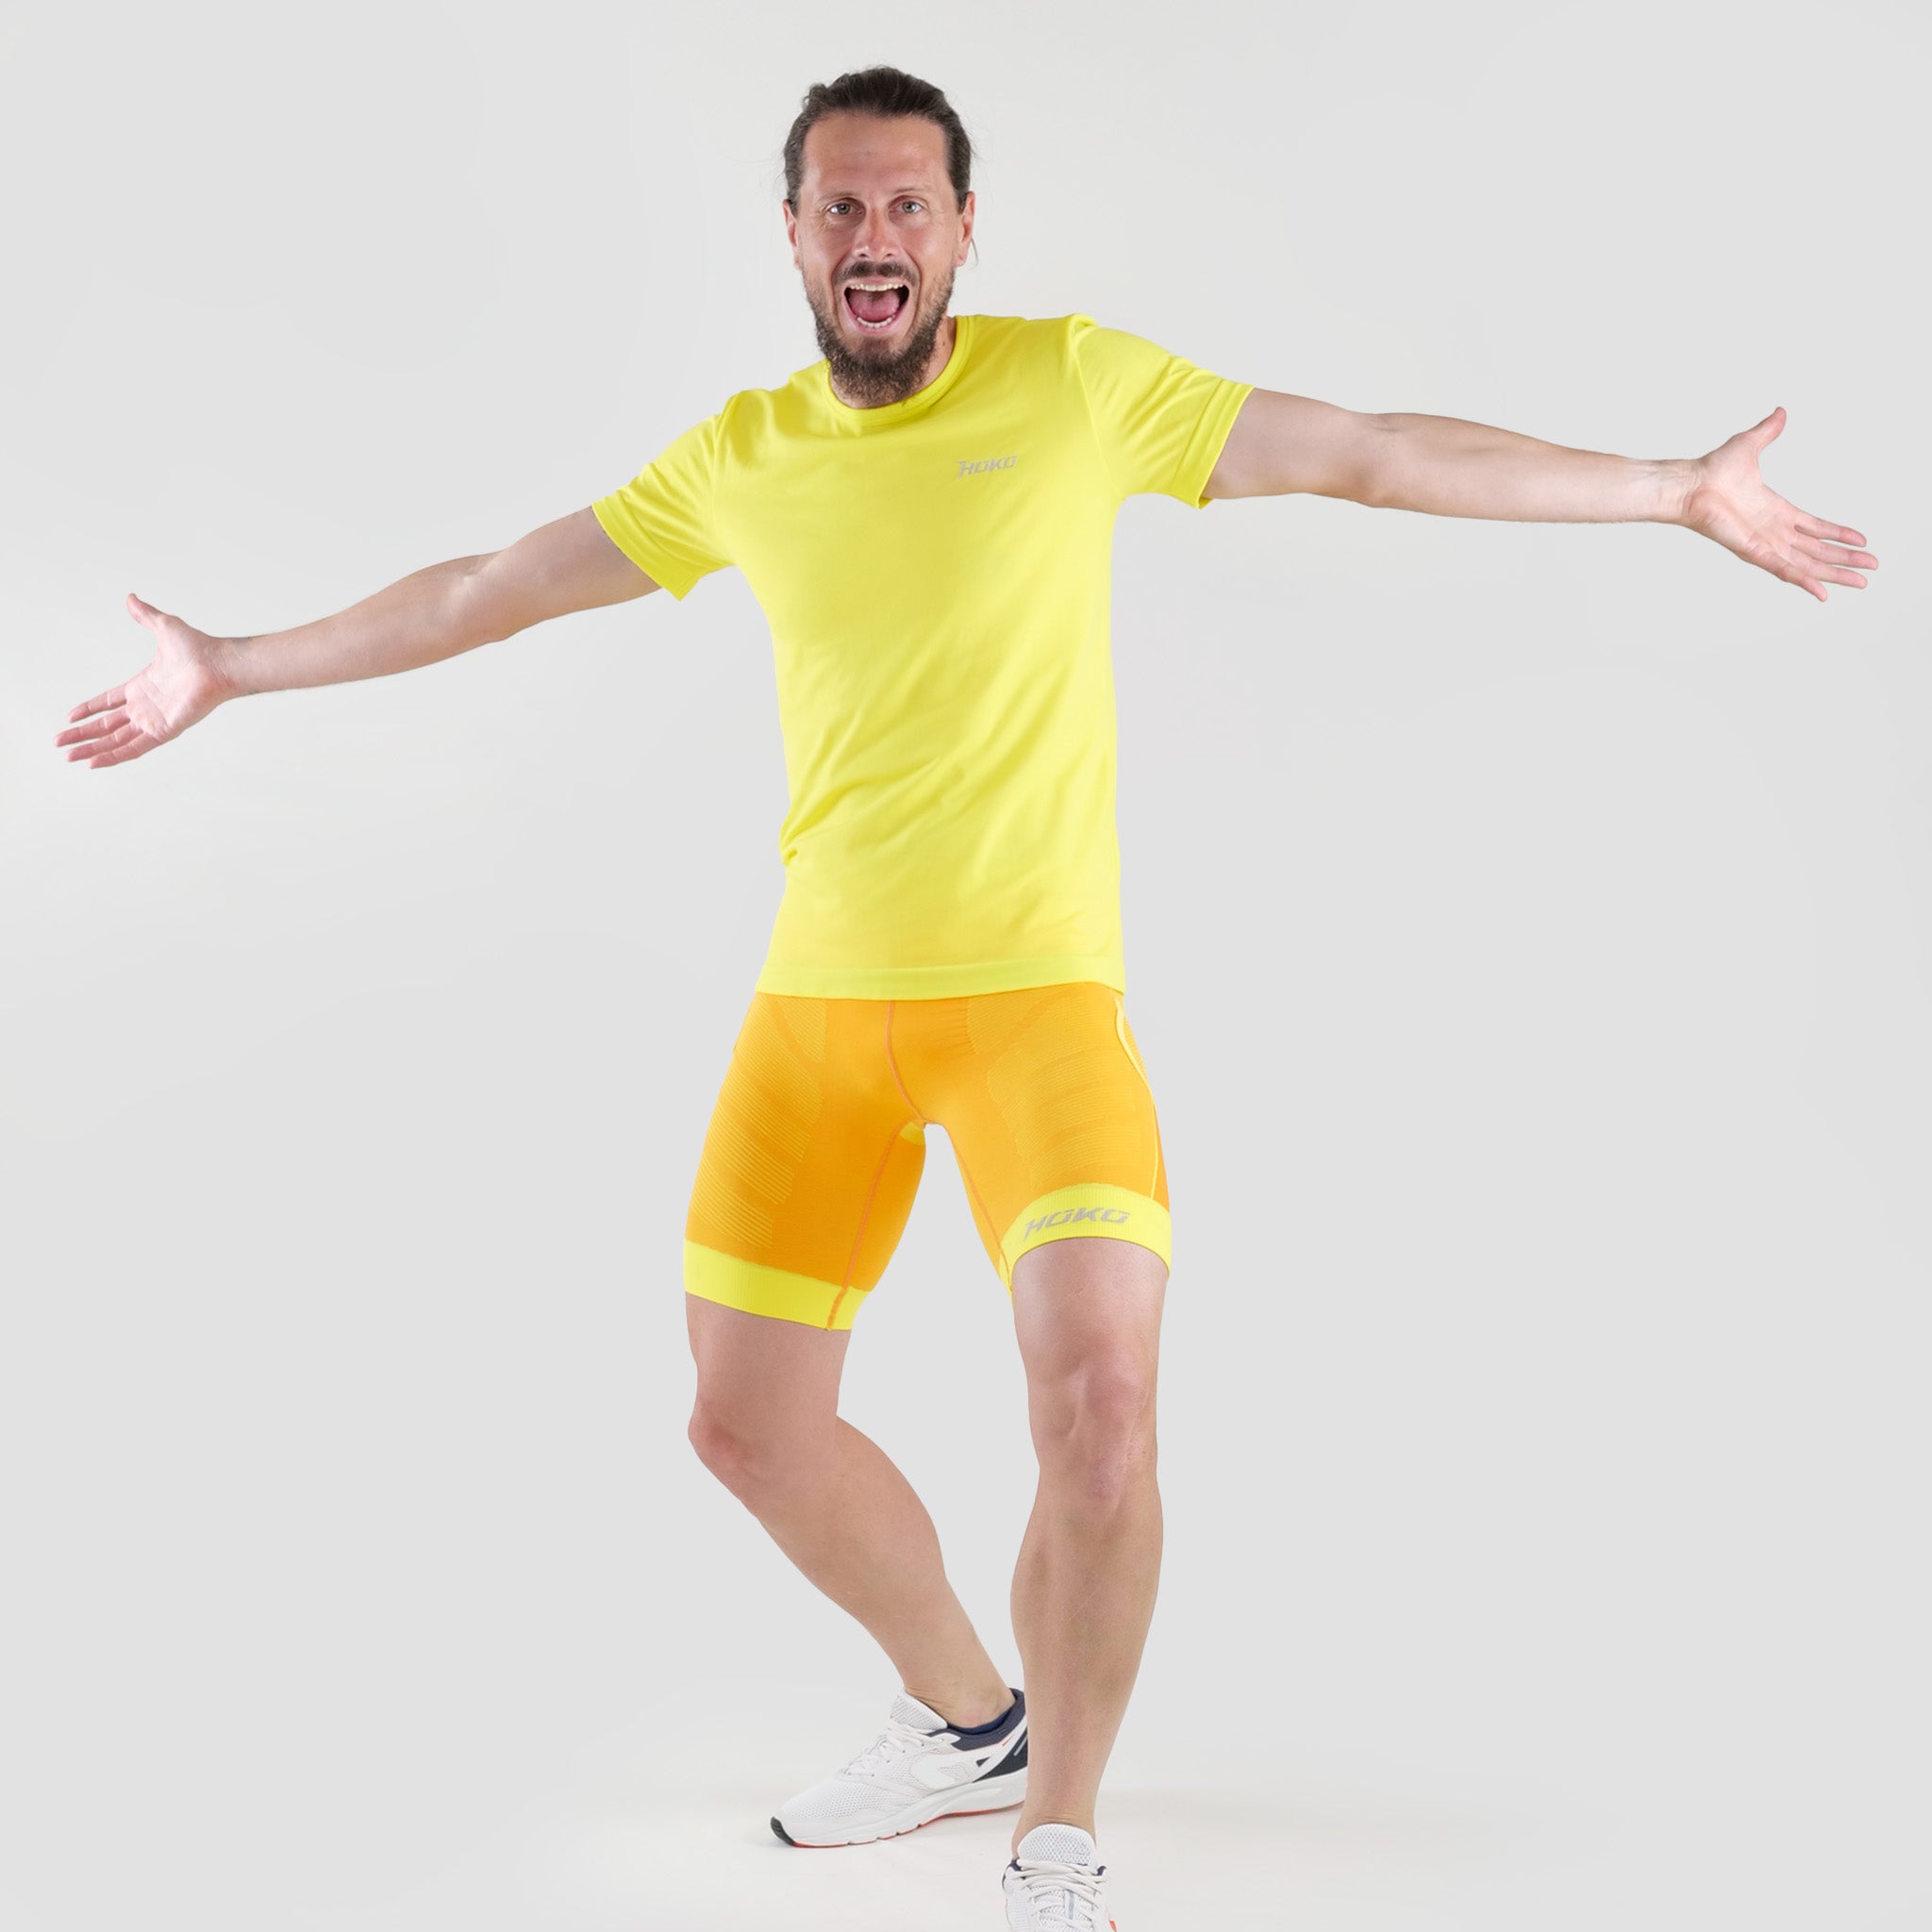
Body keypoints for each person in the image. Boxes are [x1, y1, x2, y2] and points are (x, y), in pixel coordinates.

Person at [55, 61, 1876, 1932]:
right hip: (819, 1012)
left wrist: (1670, 489)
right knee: (742, 1429)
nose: (875, 236)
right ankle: (967, 1718)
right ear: (791, 235)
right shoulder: (742, 455)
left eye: (907, 205)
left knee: (1102, 1404)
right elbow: (483, 593)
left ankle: (1056, 1827)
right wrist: (230, 665)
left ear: (962, 230)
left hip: (1037, 1008)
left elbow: (1371, 450)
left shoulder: (1075, 386)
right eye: (840, 207)